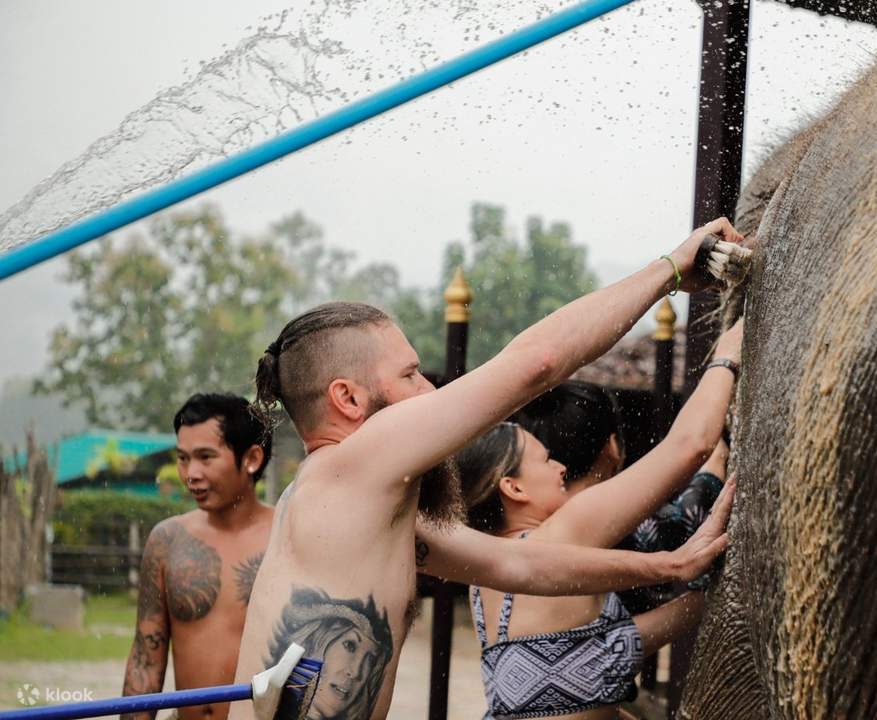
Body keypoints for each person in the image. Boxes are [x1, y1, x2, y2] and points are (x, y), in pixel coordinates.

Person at [231, 219, 742, 720]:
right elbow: (537, 362)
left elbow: (516, 566)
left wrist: (670, 566)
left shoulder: (354, 507)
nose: (429, 390)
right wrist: (671, 270)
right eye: (411, 375)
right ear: (347, 398)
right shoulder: (350, 465)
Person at [460, 320, 742, 719]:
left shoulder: (486, 579)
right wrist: (726, 358)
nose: (559, 467)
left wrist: (703, 599)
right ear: (513, 488)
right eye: (543, 459)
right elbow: (689, 446)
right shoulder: (563, 532)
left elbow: (583, 666)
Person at [122, 393, 275, 720]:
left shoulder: (287, 540)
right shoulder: (167, 541)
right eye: (182, 458)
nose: (190, 473)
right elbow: (145, 660)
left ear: (252, 459)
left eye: (205, 457)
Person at [515, 383, 731, 612]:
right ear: (612, 446)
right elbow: (689, 513)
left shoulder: (524, 528)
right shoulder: (626, 529)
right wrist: (715, 461)